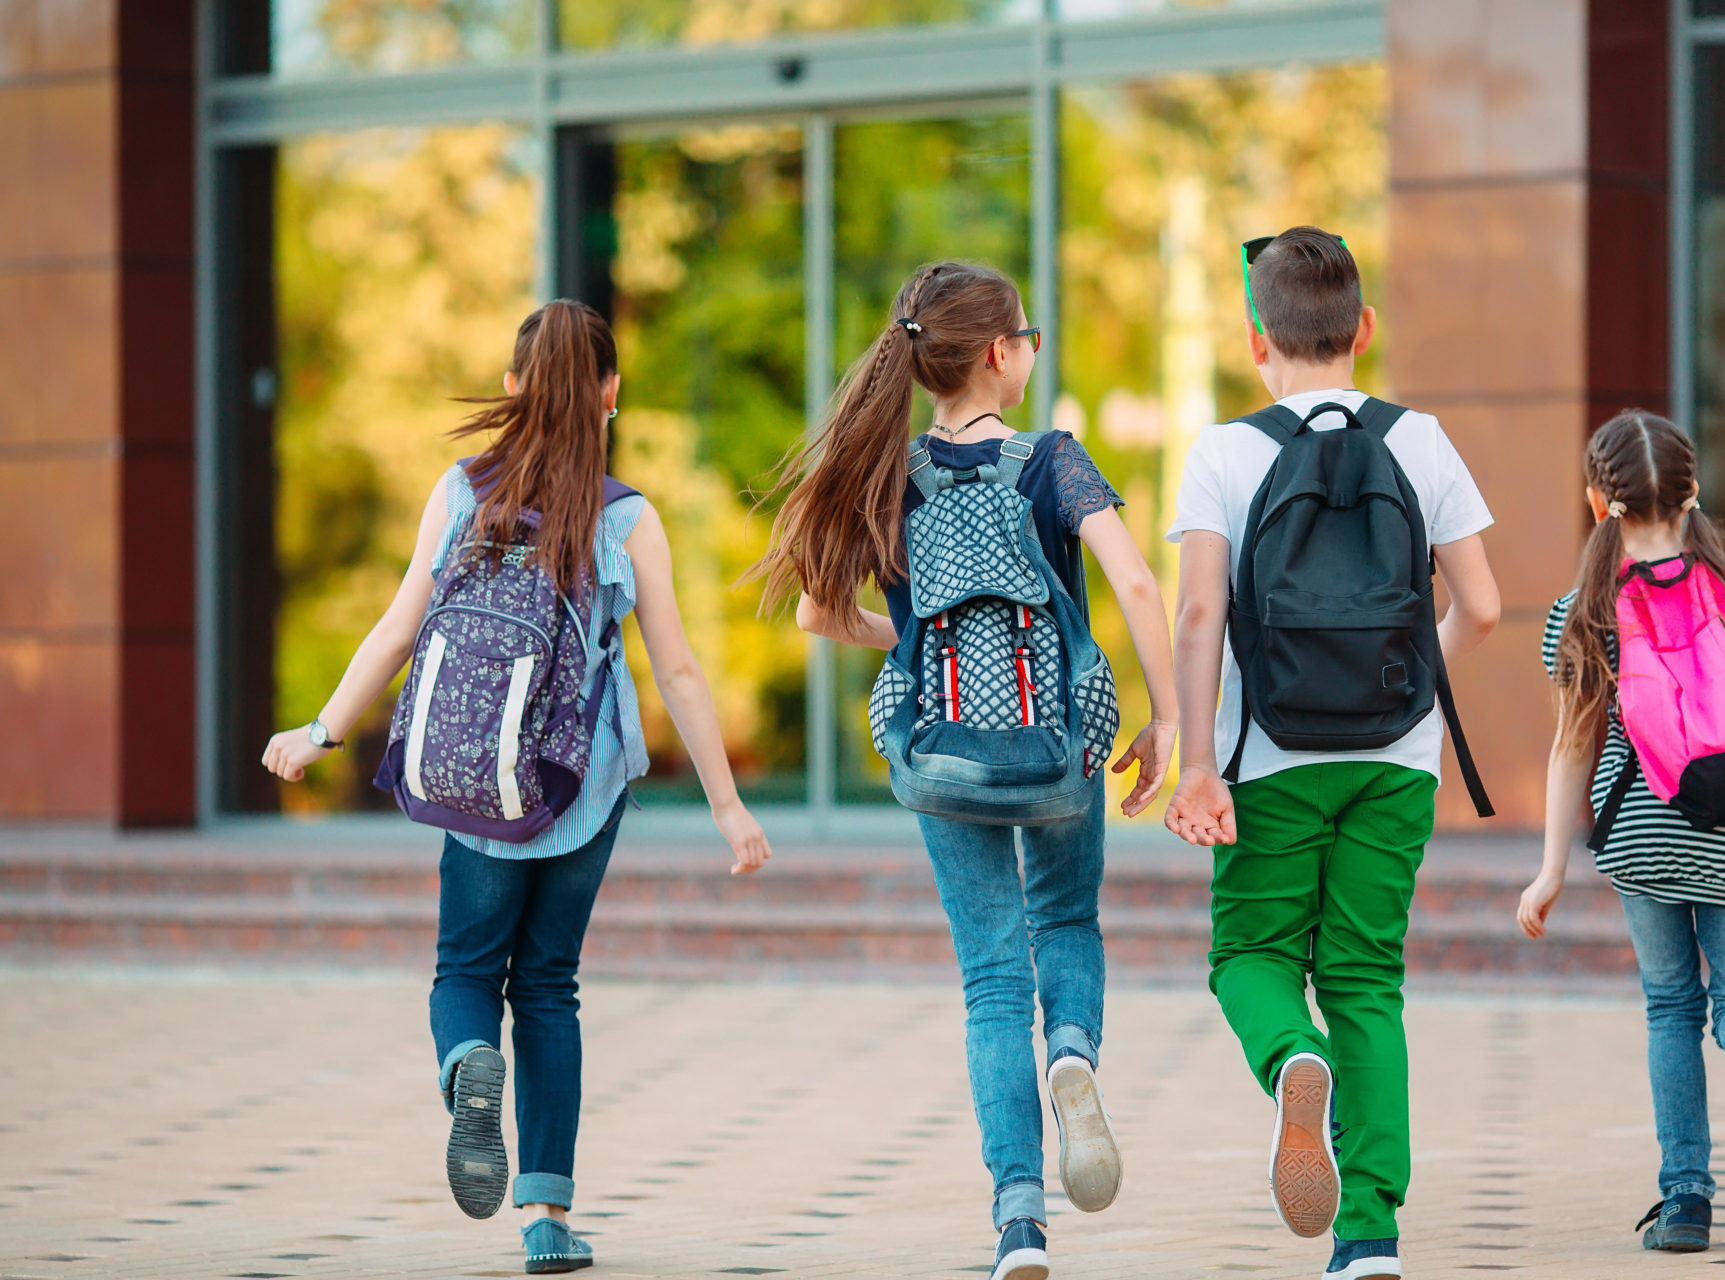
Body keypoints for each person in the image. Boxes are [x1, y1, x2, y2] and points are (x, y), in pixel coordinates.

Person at [262, 299, 771, 1275]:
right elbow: (680, 673)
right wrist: (726, 803)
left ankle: (466, 1067)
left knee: (465, 973)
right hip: (578, 790)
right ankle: (545, 1218)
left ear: (509, 391)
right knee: (548, 986)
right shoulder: (629, 517)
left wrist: (321, 728)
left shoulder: (461, 490)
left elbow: (398, 627)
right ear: (612, 395)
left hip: (473, 783)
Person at [749, 260, 1178, 1280]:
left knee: (991, 980)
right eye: (1025, 337)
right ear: (998, 353)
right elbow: (1136, 579)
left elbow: (815, 612)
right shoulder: (1051, 460)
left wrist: (903, 640)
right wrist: (1166, 721)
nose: (1029, 351)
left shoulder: (884, 471)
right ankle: (1071, 1048)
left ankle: (1018, 1220)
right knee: (1065, 920)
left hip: (942, 752)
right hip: (1057, 745)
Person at [1163, 227, 1501, 1280]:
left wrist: (1198, 763)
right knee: (1365, 976)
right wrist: (1410, 687)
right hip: (1397, 759)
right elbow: (1484, 606)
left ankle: (1288, 1056)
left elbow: (1196, 616)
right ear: (1364, 330)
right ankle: (1370, 1235)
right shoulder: (1424, 439)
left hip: (1267, 751)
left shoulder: (1225, 450)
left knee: (1250, 957)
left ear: (1254, 337)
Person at [1518, 409, 1725, 1255]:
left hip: (1643, 838)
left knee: (1670, 1009)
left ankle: (1686, 1203)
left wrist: (1552, 866)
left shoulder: (1586, 610)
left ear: (1597, 500)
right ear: (1694, 491)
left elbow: (1572, 743)